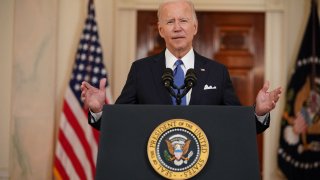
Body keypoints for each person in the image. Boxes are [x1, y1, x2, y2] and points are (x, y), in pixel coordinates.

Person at [81, 0, 282, 133]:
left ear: (194, 27)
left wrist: (259, 113)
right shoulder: (141, 70)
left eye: (183, 20)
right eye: (170, 21)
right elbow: (119, 122)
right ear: (160, 29)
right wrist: (99, 111)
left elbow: (238, 125)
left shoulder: (217, 72)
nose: (177, 27)